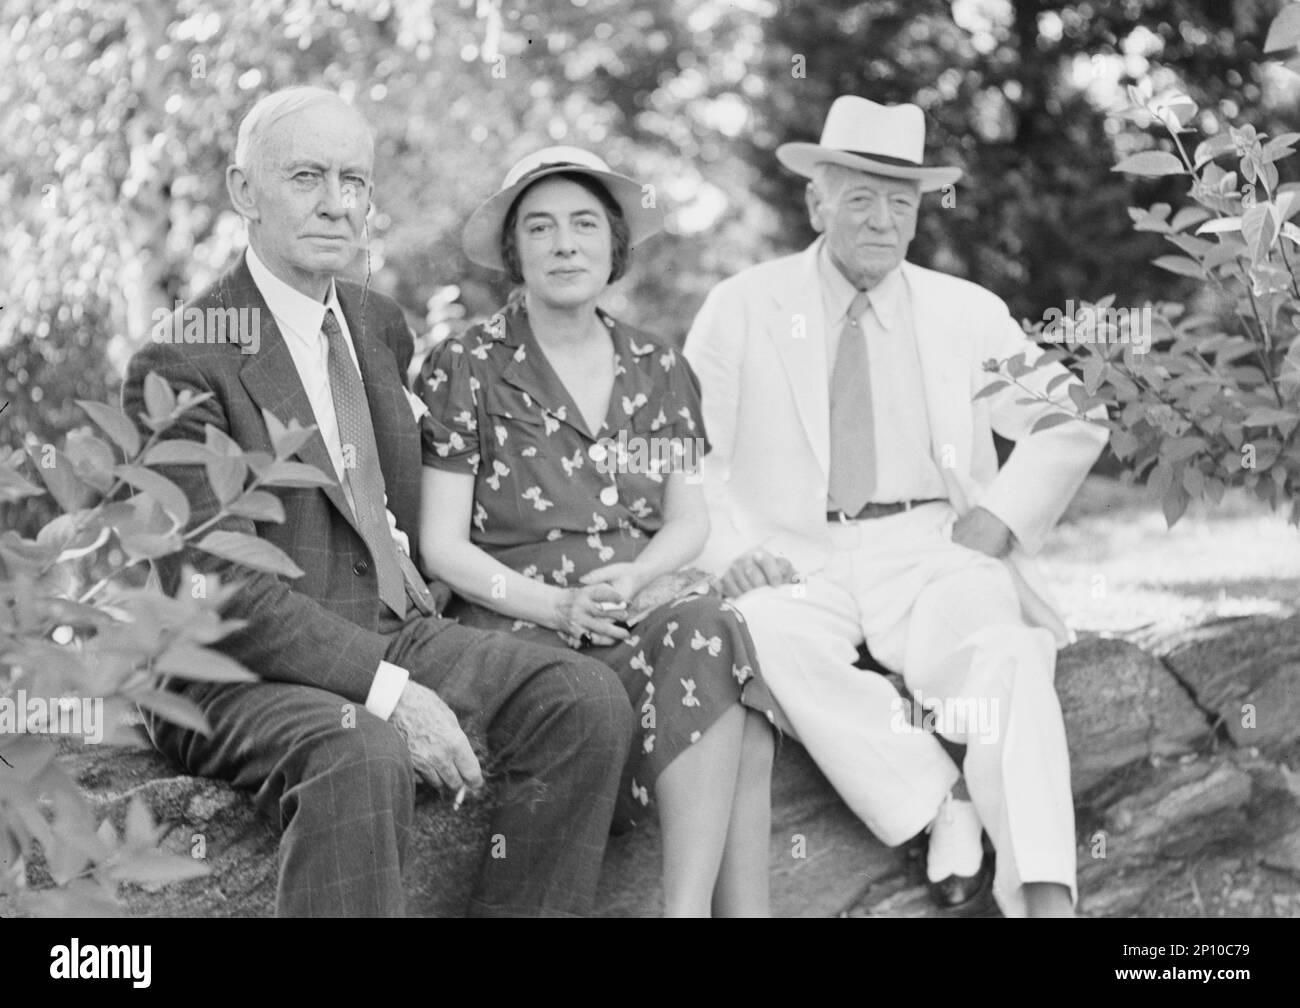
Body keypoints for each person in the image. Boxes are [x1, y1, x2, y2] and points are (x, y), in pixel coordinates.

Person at [121, 88, 635, 918]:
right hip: (231, 667)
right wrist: (388, 693)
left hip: (393, 628)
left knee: (582, 701)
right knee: (361, 750)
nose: (336, 203)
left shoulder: (374, 321)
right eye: (306, 177)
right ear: (244, 192)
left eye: (353, 180)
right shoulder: (183, 356)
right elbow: (213, 585)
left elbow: (412, 506)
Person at [683, 96, 1109, 918]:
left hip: (931, 546)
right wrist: (733, 550)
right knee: (759, 635)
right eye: (861, 199)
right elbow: (691, 454)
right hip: (794, 552)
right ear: (818, 202)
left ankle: (1047, 895)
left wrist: (1002, 518)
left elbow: (1072, 416)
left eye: (901, 203)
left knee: (1009, 655)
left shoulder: (966, 310)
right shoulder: (741, 306)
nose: (883, 221)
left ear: (919, 212)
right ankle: (935, 803)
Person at [416, 146, 779, 917]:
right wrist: (554, 605)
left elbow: (689, 520)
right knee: (734, 703)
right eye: (540, 228)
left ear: (614, 243)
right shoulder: (467, 365)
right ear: (515, 252)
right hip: (516, 620)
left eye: (584, 224)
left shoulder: (658, 366)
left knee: (713, 627)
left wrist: (639, 577)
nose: (564, 244)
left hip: (632, 603)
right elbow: (439, 546)